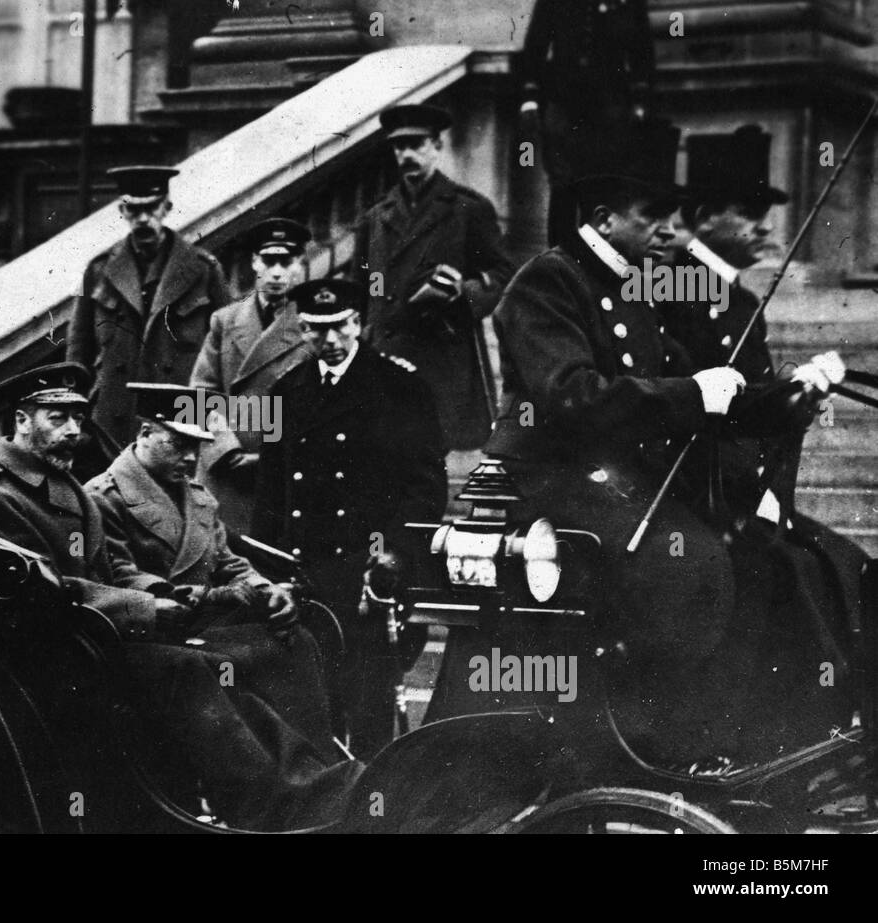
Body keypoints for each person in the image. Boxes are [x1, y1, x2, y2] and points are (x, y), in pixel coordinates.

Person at [460, 117, 852, 767]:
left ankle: (743, 737)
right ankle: (659, 741)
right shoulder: (548, 281)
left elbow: (696, 391)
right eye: (656, 215)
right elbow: (576, 397)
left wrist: (788, 395)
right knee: (691, 563)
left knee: (754, 552)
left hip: (623, 483)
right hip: (552, 483)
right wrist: (696, 392)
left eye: (675, 215)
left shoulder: (637, 287)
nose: (674, 230)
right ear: (606, 217)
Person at [0, 361, 359, 829]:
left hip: (96, 634)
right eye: (57, 418)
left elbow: (111, 573)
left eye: (78, 418)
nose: (74, 431)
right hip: (51, 653)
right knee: (193, 667)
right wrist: (150, 605)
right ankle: (276, 802)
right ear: (21, 421)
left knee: (234, 659)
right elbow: (44, 589)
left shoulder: (60, 483)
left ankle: (307, 785)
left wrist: (162, 595)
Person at [661, 125, 866, 742]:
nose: (762, 228)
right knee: (786, 570)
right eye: (746, 213)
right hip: (692, 488)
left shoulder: (738, 296)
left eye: (764, 215)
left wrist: (798, 389)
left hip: (739, 484)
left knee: (845, 562)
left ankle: (835, 718)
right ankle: (777, 727)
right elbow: (693, 397)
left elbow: (755, 401)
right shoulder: (672, 284)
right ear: (701, 217)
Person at [85, 382, 340, 754]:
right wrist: (210, 595)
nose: (190, 459)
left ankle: (318, 767)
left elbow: (227, 561)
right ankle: (276, 782)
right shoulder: (104, 496)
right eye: (178, 444)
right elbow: (117, 574)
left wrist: (264, 588)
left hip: (203, 627)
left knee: (296, 641)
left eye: (196, 447)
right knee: (231, 668)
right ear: (144, 434)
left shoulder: (197, 497)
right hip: (153, 634)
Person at [253, 279, 449, 757]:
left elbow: (426, 486)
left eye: (340, 327)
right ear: (302, 330)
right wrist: (266, 569)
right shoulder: (286, 390)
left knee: (369, 714)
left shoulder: (400, 387)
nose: (332, 341)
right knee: (309, 708)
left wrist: (395, 554)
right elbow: (270, 493)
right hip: (302, 574)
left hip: (366, 575)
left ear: (358, 323)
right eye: (318, 331)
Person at [353, 103, 514, 451]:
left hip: (440, 355)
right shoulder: (375, 218)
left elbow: (503, 274)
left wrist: (463, 291)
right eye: (400, 147)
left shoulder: (468, 209)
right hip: (386, 353)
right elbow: (358, 291)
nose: (407, 154)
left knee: (429, 460)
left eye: (417, 144)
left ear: (437, 146)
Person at [67, 165, 232, 448]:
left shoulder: (203, 270)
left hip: (180, 421)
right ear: (122, 210)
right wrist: (74, 418)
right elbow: (78, 353)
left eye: (152, 208)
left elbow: (228, 354)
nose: (143, 219)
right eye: (133, 209)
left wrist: (221, 431)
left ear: (166, 207)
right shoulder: (99, 271)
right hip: (111, 423)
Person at [190, 217, 312, 532]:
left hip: (284, 471)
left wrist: (270, 458)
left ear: (301, 264)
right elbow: (200, 395)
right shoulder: (224, 321)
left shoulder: (315, 329)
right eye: (268, 261)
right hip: (226, 469)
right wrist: (226, 449)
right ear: (254, 262)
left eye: (286, 262)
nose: (276, 272)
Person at [519, 0, 655, 246]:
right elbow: (536, 44)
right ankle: (558, 266)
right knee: (563, 189)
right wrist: (529, 97)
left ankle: (596, 266)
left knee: (600, 189)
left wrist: (641, 100)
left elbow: (642, 49)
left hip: (609, 110)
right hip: (563, 106)